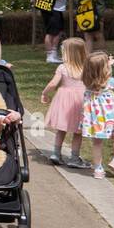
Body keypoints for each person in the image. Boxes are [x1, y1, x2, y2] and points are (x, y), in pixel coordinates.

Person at [39, 37, 90, 168]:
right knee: (78, 131)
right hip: (81, 100)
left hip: (63, 99)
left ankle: (56, 153)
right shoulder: (87, 67)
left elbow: (53, 84)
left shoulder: (62, 67)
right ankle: (74, 158)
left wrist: (45, 93)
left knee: (61, 128)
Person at [82, 50, 114, 179]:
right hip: (108, 118)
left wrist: (107, 63)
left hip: (94, 119)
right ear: (105, 69)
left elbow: (98, 71)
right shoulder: (109, 81)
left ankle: (98, 170)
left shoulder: (87, 81)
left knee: (97, 143)